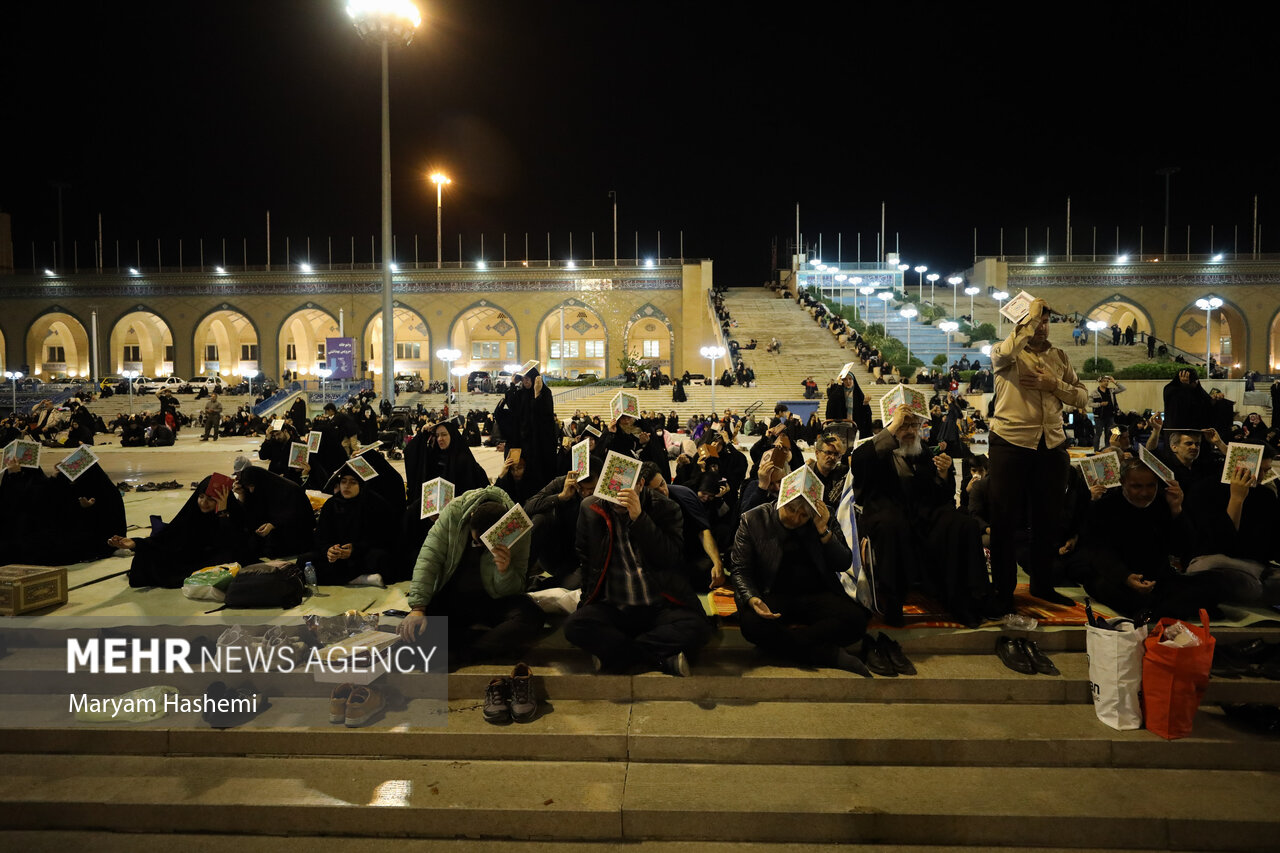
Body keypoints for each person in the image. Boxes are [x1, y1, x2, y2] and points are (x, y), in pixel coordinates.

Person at [987, 297, 1089, 611]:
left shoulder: (1059, 356)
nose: (1042, 327)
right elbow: (1006, 351)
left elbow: (1082, 396)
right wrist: (1026, 324)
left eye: (1045, 321)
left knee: (1048, 520)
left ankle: (1043, 586)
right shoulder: (1005, 353)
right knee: (1004, 521)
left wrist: (1053, 384)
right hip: (1011, 443)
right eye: (1036, 320)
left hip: (1052, 445)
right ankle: (1003, 592)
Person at [850, 406, 991, 627]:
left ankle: (966, 599)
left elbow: (939, 495)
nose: (910, 431)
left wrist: (943, 475)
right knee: (893, 525)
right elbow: (859, 463)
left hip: (923, 515)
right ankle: (894, 603)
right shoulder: (875, 449)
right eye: (904, 425)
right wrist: (894, 427)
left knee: (963, 524)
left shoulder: (922, 451)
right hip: (885, 513)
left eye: (914, 425)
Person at [563, 467, 710, 676]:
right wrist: (585, 605)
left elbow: (670, 559)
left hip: (658, 605)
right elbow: (587, 562)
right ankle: (662, 659)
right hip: (614, 606)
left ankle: (614, 656)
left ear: (640, 484)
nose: (618, 498)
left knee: (698, 628)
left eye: (626, 489)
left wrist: (640, 519)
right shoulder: (591, 508)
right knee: (575, 626)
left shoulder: (665, 507)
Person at [731, 480, 874, 675]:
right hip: (772, 592)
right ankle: (829, 655)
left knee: (857, 620)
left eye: (804, 515)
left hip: (816, 593)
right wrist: (752, 598)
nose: (795, 518)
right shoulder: (753, 519)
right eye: (791, 509)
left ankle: (782, 647)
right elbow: (740, 569)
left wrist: (824, 531)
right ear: (781, 500)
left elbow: (843, 562)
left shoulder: (824, 516)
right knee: (751, 623)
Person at [396, 486, 544, 666]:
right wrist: (418, 607)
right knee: (413, 633)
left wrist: (504, 572)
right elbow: (429, 558)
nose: (480, 547)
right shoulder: (454, 513)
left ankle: (465, 651)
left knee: (531, 617)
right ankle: (485, 643)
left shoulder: (516, 527)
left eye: (485, 545)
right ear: (471, 517)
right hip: (454, 597)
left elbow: (516, 588)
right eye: (476, 542)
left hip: (493, 600)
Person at [1081, 459, 1218, 619]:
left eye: (1151, 486)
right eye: (1136, 486)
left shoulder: (1164, 503)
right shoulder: (1103, 507)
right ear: (1122, 482)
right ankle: (1161, 609)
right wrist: (1125, 577)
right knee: (1102, 586)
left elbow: (1182, 548)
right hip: (1119, 578)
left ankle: (1158, 609)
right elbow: (1099, 552)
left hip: (1158, 579)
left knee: (1216, 584)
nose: (1145, 493)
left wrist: (1176, 510)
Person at [115, 475, 247, 589]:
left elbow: (231, 542)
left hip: (215, 558)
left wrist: (222, 512)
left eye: (211, 499)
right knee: (150, 554)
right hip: (192, 556)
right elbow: (167, 537)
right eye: (201, 497)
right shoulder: (192, 512)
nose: (204, 503)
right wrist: (136, 543)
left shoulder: (233, 514)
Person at [303, 464, 395, 586]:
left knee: (381, 558)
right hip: (337, 557)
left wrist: (355, 550)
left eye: (353, 482)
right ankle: (360, 579)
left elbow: (380, 537)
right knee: (304, 561)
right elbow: (321, 536)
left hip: (361, 554)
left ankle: (347, 578)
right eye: (343, 481)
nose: (347, 486)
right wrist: (329, 550)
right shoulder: (332, 504)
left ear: (361, 484)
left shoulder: (372, 504)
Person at [523, 454, 604, 587]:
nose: (585, 493)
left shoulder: (606, 493)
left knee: (572, 585)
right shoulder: (563, 483)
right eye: (581, 488)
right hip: (556, 550)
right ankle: (522, 575)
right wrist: (561, 497)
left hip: (582, 559)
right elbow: (528, 507)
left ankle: (540, 584)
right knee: (541, 519)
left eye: (591, 490)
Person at [234, 465, 317, 559]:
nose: (251, 490)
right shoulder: (259, 490)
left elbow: (299, 517)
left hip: (294, 542)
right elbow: (249, 517)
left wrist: (274, 524)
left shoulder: (289, 490)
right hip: (270, 543)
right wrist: (242, 495)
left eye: (252, 486)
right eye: (248, 487)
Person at [1090, 377, 1126, 451]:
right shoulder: (1094, 392)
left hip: (1110, 416)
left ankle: (1108, 449)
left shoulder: (1111, 391)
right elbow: (1090, 404)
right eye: (1104, 381)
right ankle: (1096, 451)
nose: (1106, 382)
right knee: (1098, 434)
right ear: (1100, 382)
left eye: (1107, 381)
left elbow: (1123, 388)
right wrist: (1100, 404)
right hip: (1099, 417)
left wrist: (1114, 381)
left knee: (1110, 434)